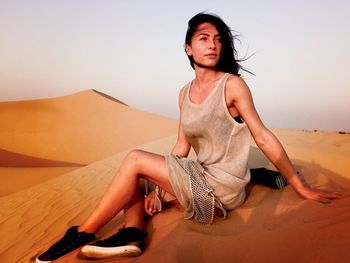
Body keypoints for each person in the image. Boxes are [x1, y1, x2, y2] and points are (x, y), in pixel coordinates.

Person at [36, 12, 345, 262]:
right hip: (201, 174)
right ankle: (132, 233)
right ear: (188, 49)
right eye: (203, 39)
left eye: (218, 40)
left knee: (134, 160)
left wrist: (301, 188)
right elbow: (182, 147)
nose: (212, 45)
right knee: (141, 180)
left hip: (220, 189)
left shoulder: (232, 85)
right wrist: (157, 192)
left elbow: (262, 136)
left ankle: (83, 232)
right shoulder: (184, 93)